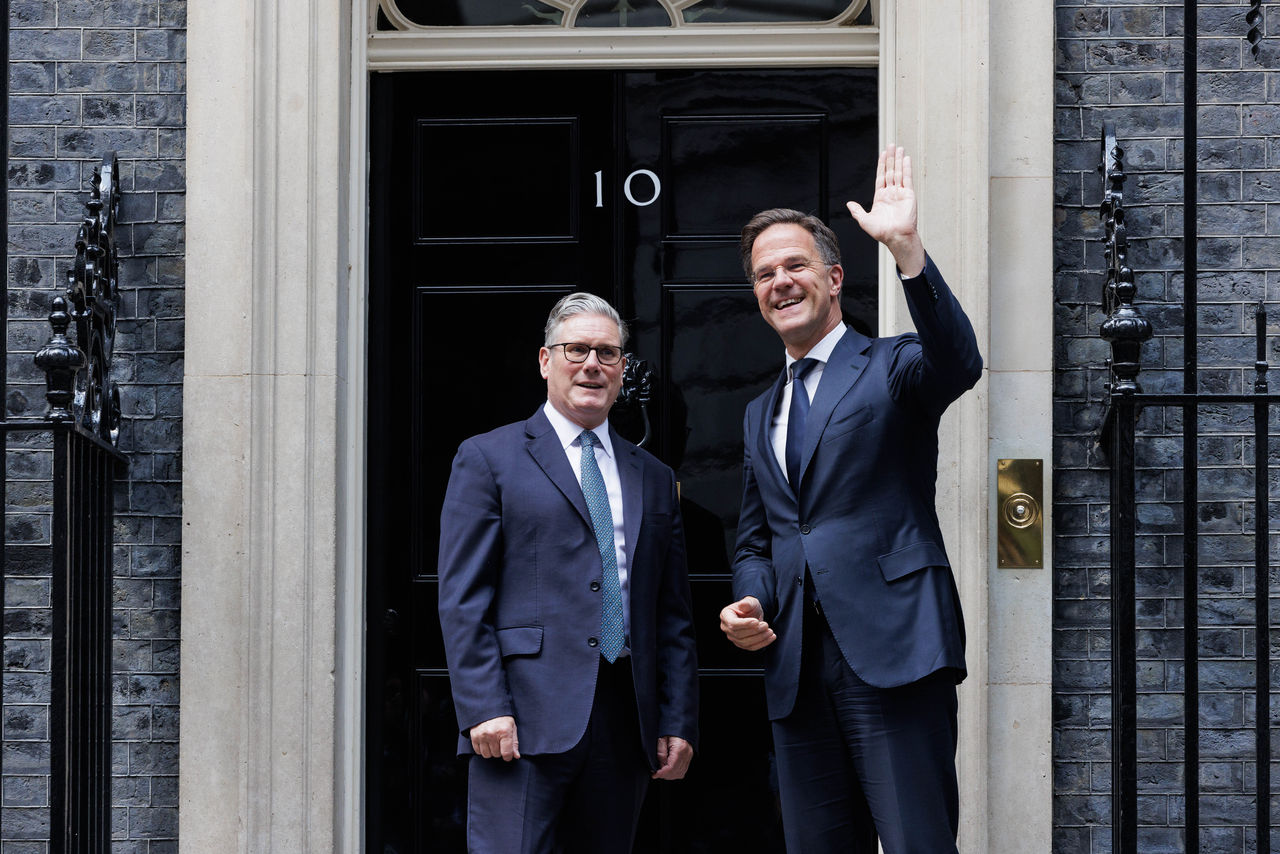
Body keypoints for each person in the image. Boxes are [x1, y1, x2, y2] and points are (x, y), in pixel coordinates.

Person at [719, 145, 983, 853]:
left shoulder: (891, 365)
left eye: (795, 265)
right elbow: (757, 541)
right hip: (796, 668)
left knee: (917, 842)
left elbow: (959, 362)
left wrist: (908, 252)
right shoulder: (759, 413)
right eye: (765, 274)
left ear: (834, 278)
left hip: (895, 648)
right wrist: (749, 601)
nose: (780, 282)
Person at [438, 292, 699, 854]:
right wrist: (485, 707)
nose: (592, 365)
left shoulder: (654, 477)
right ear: (545, 360)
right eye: (576, 350)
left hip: (625, 722)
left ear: (622, 369)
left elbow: (671, 612)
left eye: (607, 353)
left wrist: (678, 718)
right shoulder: (488, 458)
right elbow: (463, 598)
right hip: (519, 720)